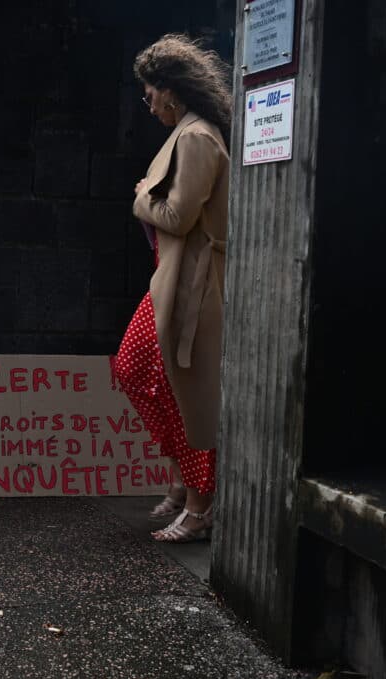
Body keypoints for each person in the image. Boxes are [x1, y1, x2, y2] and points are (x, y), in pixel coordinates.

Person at [112, 34, 232, 543]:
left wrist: (142, 197)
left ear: (171, 91)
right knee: (139, 371)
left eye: (150, 95)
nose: (149, 106)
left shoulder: (197, 137)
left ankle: (200, 505)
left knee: (188, 391)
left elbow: (179, 217)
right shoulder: (188, 132)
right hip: (173, 280)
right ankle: (184, 483)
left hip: (192, 285)